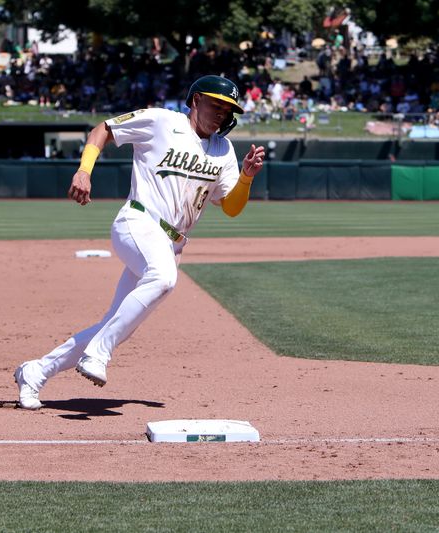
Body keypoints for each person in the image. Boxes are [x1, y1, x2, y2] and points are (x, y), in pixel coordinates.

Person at [13, 75, 266, 409]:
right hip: (138, 221)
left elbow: (230, 207)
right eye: (215, 103)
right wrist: (84, 171)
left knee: (117, 323)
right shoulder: (162, 121)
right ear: (195, 101)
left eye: (228, 108)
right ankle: (99, 353)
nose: (221, 112)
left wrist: (246, 176)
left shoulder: (223, 150)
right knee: (162, 279)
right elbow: (102, 130)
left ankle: (35, 372)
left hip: (172, 243)